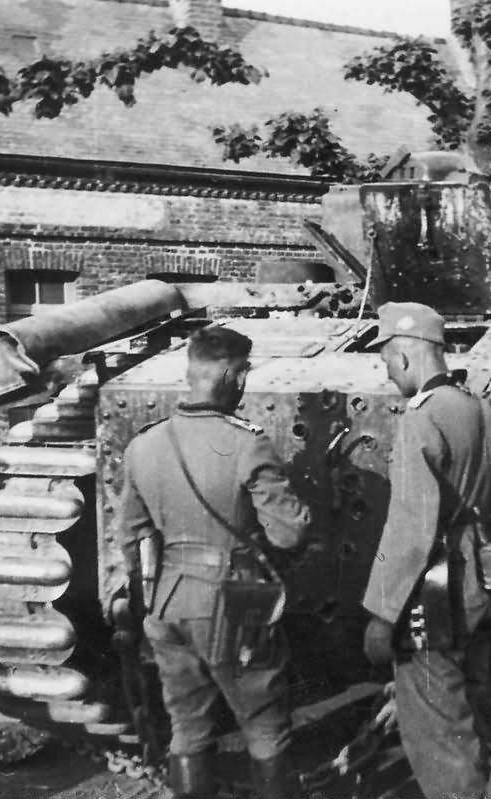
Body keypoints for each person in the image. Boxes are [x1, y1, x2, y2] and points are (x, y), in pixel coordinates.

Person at [118, 326, 310, 799]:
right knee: (264, 722)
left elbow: (132, 535)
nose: (244, 382)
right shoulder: (248, 444)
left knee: (187, 725)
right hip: (235, 598)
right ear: (232, 376)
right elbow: (288, 532)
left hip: (167, 600)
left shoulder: (145, 445)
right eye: (243, 373)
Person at [361, 301, 491, 799]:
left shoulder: (421, 419)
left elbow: (410, 527)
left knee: (438, 734)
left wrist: (382, 614)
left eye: (386, 360)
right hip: (477, 580)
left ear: (404, 356)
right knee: (465, 713)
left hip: (433, 591)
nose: (388, 373)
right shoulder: (481, 410)